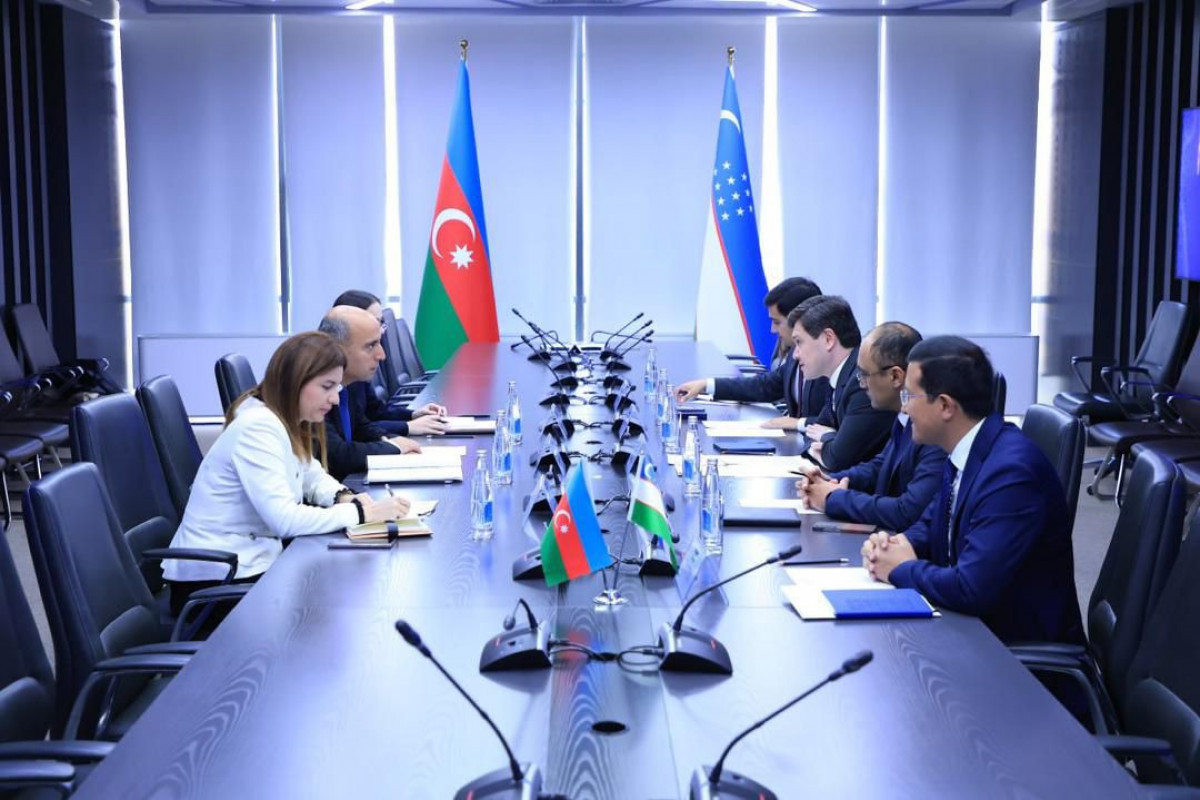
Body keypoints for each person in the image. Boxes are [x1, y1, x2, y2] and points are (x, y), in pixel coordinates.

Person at [163, 332, 411, 613]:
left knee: (347, 593)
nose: (334, 399)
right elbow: (285, 520)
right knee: (342, 602)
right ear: (295, 382)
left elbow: (310, 473)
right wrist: (362, 514)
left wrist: (343, 496)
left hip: (250, 564)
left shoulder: (282, 417)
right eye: (327, 387)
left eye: (337, 387)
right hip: (217, 581)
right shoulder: (258, 428)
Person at [861, 336, 1085, 645]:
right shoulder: (968, 449)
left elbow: (970, 588)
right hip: (975, 629)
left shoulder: (1011, 474)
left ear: (945, 406)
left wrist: (900, 568)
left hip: (1012, 651)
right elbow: (934, 522)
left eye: (909, 396)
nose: (905, 407)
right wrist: (896, 544)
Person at [796, 322, 945, 531]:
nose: (861, 384)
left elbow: (907, 512)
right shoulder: (904, 417)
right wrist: (829, 481)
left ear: (895, 376)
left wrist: (832, 498)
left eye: (864, 374)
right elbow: (879, 467)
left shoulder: (934, 429)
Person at [674, 277, 830, 425]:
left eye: (777, 322)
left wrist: (798, 424)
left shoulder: (826, 364)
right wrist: (706, 385)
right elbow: (764, 387)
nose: (773, 330)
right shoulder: (795, 354)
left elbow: (835, 423)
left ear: (800, 320)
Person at [319, 306, 427, 480]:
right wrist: (393, 448)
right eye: (371, 346)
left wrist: (392, 440)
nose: (382, 355)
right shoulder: (312, 390)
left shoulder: (351, 381)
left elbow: (361, 427)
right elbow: (337, 455)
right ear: (338, 349)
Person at [788, 295, 895, 471]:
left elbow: (838, 459)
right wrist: (829, 440)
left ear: (828, 339)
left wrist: (827, 437)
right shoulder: (839, 377)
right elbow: (813, 432)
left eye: (799, 342)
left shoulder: (862, 381)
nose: (795, 355)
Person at [332, 289, 448, 437]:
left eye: (381, 322)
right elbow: (356, 432)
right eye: (375, 322)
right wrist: (407, 426)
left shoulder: (357, 371)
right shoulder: (334, 375)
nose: (381, 330)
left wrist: (413, 414)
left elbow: (375, 412)